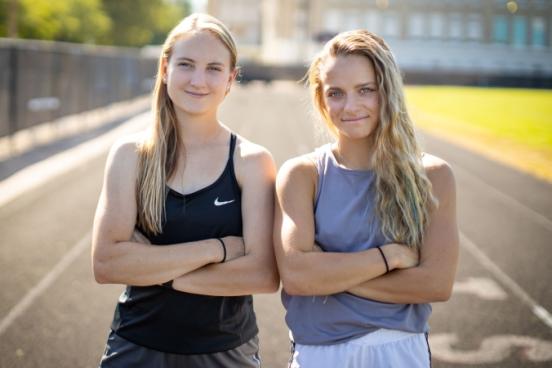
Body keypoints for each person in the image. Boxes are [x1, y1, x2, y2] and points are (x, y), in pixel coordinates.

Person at [92, 13, 278, 367]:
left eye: (213, 68)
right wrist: (219, 248)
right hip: (136, 345)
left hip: (225, 351)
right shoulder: (130, 155)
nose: (198, 80)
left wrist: (153, 268)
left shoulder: (251, 161)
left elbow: (263, 275)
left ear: (230, 79)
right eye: (187, 65)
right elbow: (106, 263)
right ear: (165, 69)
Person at [273, 29, 459, 367]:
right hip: (319, 352)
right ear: (321, 99)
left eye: (365, 90)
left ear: (386, 91)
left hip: (400, 352)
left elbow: (436, 283)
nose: (350, 106)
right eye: (336, 93)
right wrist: (391, 258)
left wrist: (329, 274)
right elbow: (299, 277)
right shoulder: (302, 175)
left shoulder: (432, 176)